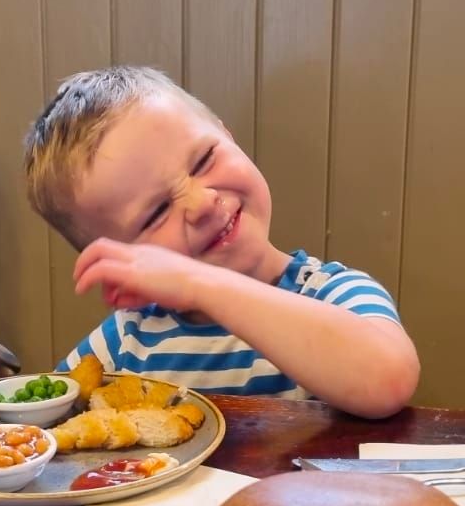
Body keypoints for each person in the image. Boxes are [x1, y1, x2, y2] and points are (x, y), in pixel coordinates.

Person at [22, 66, 419, 419]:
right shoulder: (128, 340)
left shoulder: (331, 293)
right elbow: (49, 416)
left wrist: (200, 285)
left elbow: (388, 381)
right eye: (157, 212)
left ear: (228, 135)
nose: (202, 202)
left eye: (204, 160)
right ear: (122, 264)